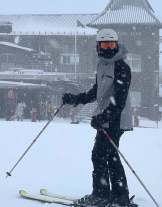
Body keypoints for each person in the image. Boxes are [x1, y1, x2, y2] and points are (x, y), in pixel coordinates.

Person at [61, 29, 136, 207]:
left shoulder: (121, 67)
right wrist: (76, 99)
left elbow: (119, 100)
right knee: (109, 156)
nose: (109, 48)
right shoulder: (102, 65)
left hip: (116, 119)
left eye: (112, 45)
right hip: (107, 118)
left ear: (117, 45)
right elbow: (97, 91)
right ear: (98, 46)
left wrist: (104, 117)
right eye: (105, 44)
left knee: (100, 155)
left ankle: (102, 195)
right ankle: (118, 196)